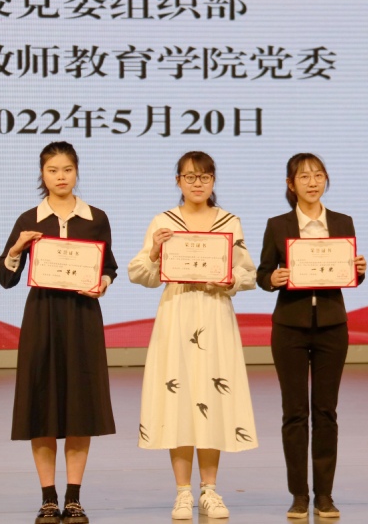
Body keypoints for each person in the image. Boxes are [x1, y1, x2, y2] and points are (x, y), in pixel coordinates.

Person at [128, 151, 258, 520]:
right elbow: (139, 272)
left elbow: (248, 273)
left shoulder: (229, 222)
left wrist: (228, 280)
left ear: (213, 181)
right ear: (178, 181)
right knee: (180, 400)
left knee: (212, 396)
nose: (197, 183)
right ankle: (183, 492)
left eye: (204, 177)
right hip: (177, 314)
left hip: (215, 314)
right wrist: (156, 251)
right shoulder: (163, 222)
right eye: (189, 177)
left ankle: (210, 490)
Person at [0, 141, 118, 524]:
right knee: (41, 407)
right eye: (53, 170)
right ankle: (48, 499)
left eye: (67, 169)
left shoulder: (95, 218)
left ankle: (74, 498)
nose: (61, 177)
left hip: (83, 318)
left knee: (80, 407)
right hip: (42, 318)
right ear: (42, 174)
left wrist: (102, 284)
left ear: (76, 171)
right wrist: (17, 248)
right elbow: (5, 278)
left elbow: (108, 267)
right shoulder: (29, 219)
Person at [257, 153, 367, 519]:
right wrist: (272, 278)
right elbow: (263, 273)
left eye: (318, 175)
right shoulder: (278, 225)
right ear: (291, 184)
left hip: (332, 326)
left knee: (325, 412)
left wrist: (358, 270)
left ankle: (324, 495)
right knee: (294, 413)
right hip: (289, 326)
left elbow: (348, 274)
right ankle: (299, 495)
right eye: (304, 177)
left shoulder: (342, 222)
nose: (312, 182)